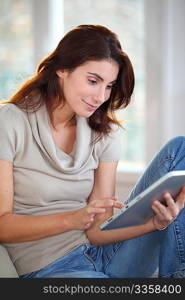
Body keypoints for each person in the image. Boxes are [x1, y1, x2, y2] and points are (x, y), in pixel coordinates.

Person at [0, 24, 185, 278]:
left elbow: (98, 232)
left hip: (104, 253)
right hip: (52, 268)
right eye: (93, 81)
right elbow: (2, 225)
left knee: (180, 150)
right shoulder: (10, 121)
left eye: (109, 86)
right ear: (62, 69)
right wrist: (73, 219)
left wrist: (154, 224)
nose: (101, 96)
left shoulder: (105, 135)